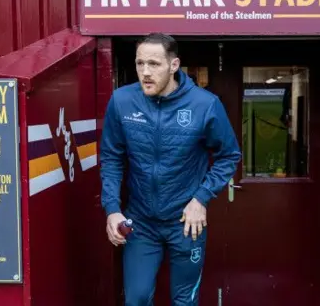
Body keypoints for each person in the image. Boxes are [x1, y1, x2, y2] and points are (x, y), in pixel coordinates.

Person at [99, 33, 241, 305]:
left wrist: (201, 199)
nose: (145, 73)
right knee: (136, 299)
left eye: (154, 64)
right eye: (140, 64)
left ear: (174, 65)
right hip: (140, 222)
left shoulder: (204, 105)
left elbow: (229, 156)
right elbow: (112, 157)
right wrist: (112, 208)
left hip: (186, 223)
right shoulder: (121, 101)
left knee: (184, 301)